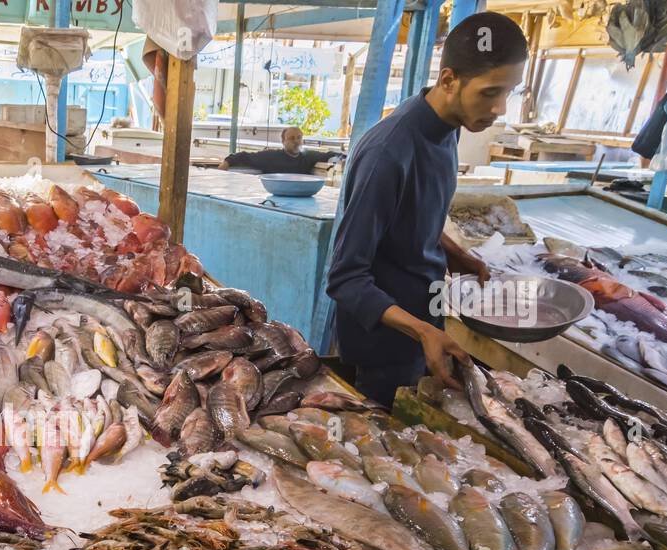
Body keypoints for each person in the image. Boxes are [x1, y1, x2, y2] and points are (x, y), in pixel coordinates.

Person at [325, 12, 526, 407]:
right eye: (490, 92)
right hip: (383, 345)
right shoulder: (388, 152)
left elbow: (411, 216)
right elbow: (345, 278)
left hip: (423, 322)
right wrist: (422, 332)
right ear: (449, 80)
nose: (501, 107)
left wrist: (455, 254)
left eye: (510, 91)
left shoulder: (449, 127)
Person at [220, 126, 341, 174]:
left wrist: (342, 159)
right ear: (283, 141)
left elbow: (329, 155)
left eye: (299, 138)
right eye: (292, 138)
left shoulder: (308, 156)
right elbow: (243, 156)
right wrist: (226, 162)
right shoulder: (271, 156)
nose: (296, 141)